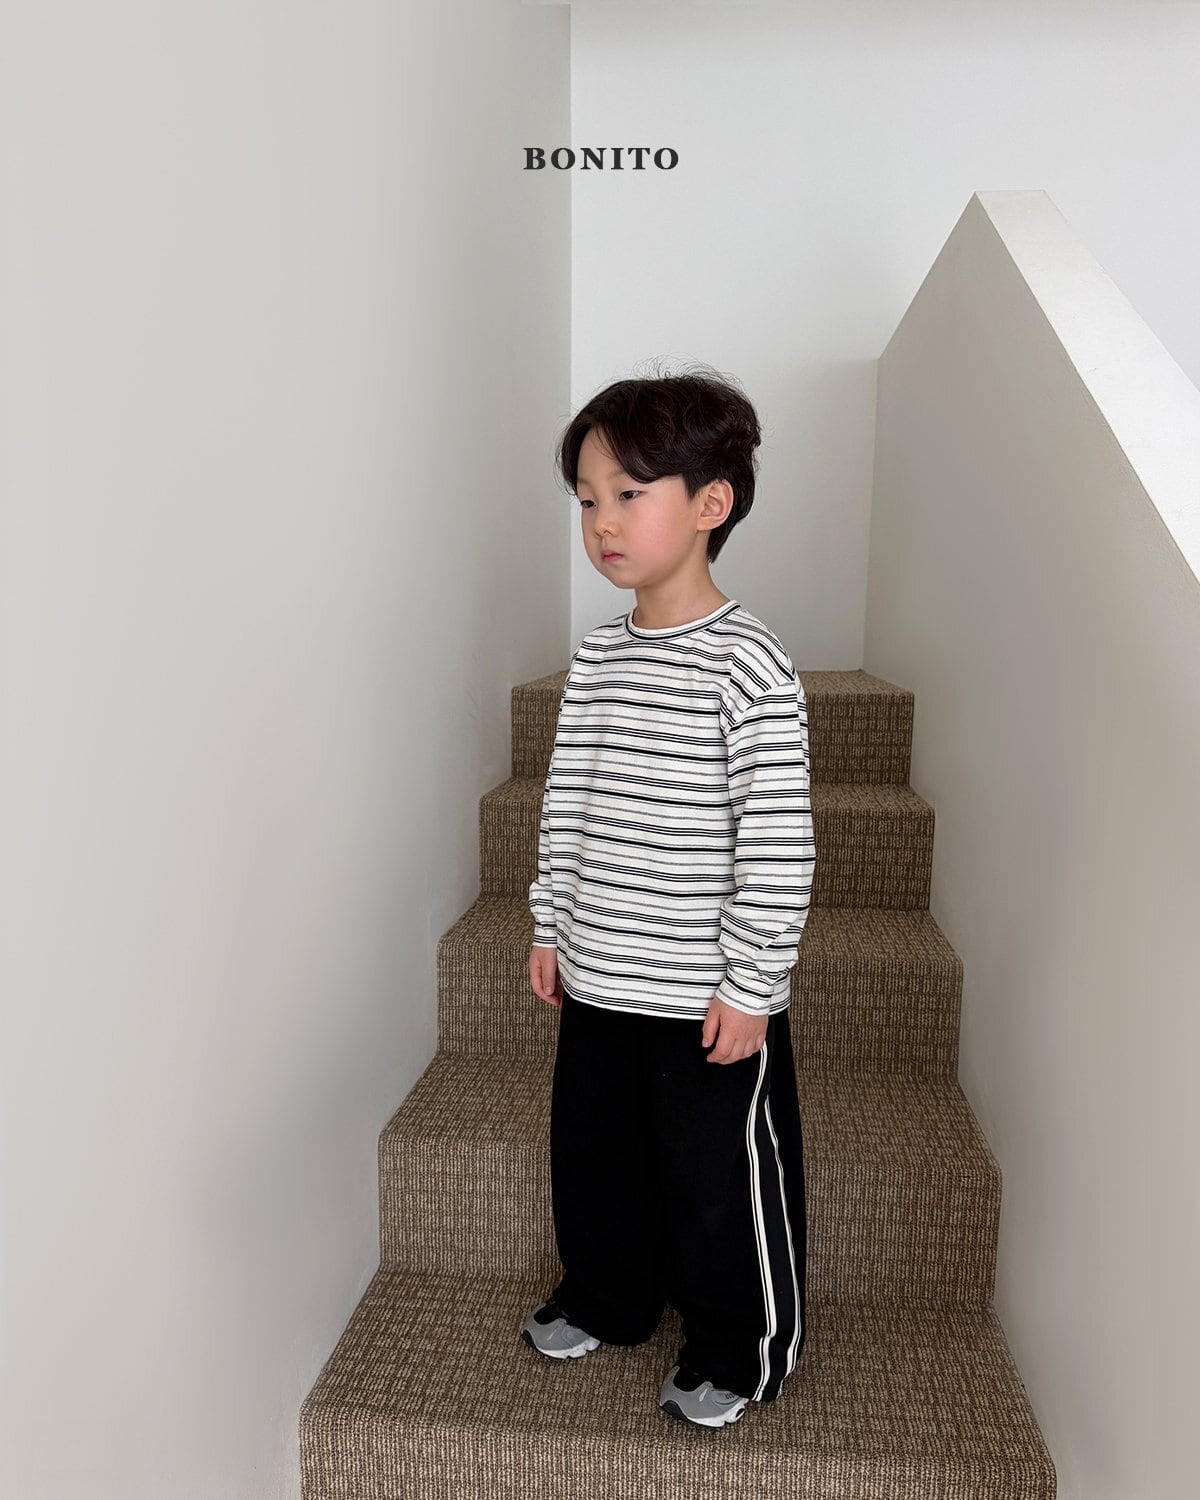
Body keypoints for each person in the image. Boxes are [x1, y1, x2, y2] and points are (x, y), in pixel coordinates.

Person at [520, 364, 814, 1430]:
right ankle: (610, 1295)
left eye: (629, 493)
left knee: (714, 1177)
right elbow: (567, 803)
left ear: (709, 503)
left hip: (704, 996)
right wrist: (551, 923)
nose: (602, 522)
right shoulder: (598, 659)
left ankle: (740, 1344)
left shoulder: (750, 667)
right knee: (598, 1156)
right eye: (587, 499)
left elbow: (777, 844)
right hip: (602, 973)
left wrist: (751, 985)